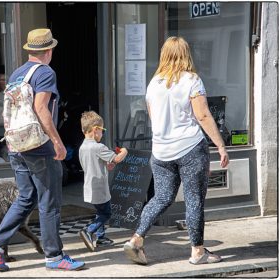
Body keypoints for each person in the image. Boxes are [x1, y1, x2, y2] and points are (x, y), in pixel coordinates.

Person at [0, 28, 85, 271]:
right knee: (50, 200)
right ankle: (54, 256)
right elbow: (41, 108)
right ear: (49, 50)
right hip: (37, 145)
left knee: (27, 197)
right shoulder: (46, 72)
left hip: (16, 145)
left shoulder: (17, 73)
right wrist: (57, 142)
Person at [123, 36, 230, 266]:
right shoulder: (192, 80)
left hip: (161, 151)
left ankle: (136, 239)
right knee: (194, 200)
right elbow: (202, 115)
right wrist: (220, 146)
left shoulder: (153, 84)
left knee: (161, 198)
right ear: (186, 54)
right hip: (190, 148)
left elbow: (153, 118)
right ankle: (197, 252)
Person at [78, 111, 128, 252]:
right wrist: (124, 151)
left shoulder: (83, 147)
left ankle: (101, 238)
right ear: (95, 130)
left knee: (100, 212)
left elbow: (98, 162)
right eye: (102, 130)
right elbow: (117, 158)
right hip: (99, 186)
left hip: (89, 186)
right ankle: (89, 230)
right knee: (106, 213)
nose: (102, 134)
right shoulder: (98, 147)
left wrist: (108, 164)